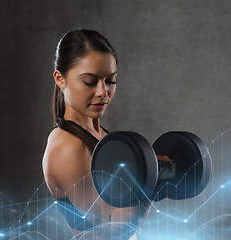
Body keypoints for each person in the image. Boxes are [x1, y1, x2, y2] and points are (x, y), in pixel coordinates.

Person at [42, 29, 151, 240]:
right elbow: (113, 230)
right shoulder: (68, 146)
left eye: (111, 80)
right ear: (60, 79)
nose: (103, 92)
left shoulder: (100, 135)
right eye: (90, 81)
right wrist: (150, 179)